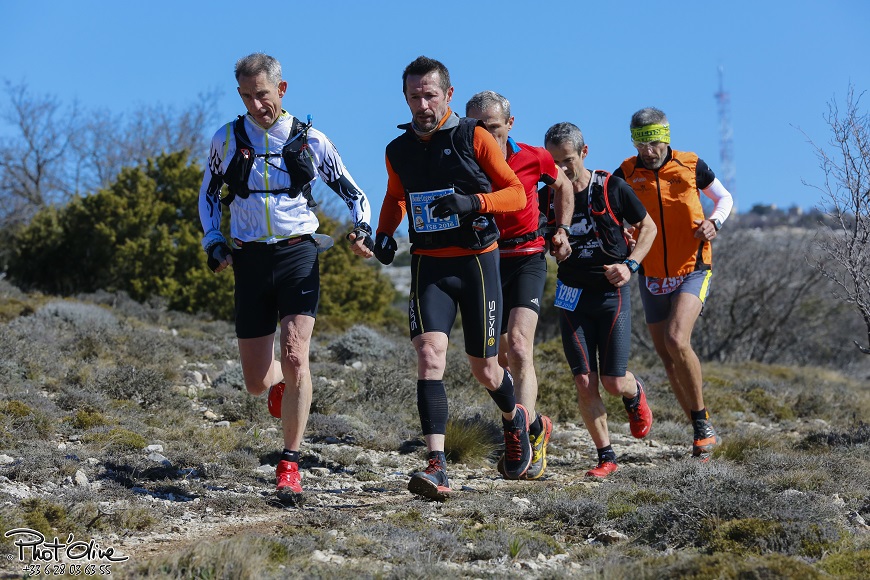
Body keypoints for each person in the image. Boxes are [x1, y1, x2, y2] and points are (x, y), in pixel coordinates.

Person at [198, 53, 374, 498]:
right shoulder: (226, 138)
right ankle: (281, 388)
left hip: (298, 253)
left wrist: (362, 228)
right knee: (257, 383)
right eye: (247, 96)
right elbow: (206, 196)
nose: (257, 104)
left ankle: (289, 464)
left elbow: (354, 192)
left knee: (296, 356)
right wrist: (214, 241)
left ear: (282, 89)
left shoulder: (309, 139)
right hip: (250, 259)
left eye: (263, 94)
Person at [371, 56, 529, 500]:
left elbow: (515, 193)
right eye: (414, 96)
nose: (422, 104)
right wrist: (385, 236)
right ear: (405, 97)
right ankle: (436, 465)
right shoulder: (397, 150)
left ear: (448, 95)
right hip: (428, 264)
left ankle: (513, 418)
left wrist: (474, 203)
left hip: (476, 262)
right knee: (429, 355)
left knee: (485, 369)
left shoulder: (472, 137)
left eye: (430, 95)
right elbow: (394, 197)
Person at [613, 107, 734, 460]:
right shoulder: (626, 172)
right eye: (640, 142)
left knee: (676, 339)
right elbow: (617, 213)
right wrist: (622, 232)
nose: (647, 150)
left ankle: (701, 425)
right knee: (667, 357)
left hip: (693, 265)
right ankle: (699, 424)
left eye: (653, 141)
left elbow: (724, 198)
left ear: (665, 137)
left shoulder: (691, 165)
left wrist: (715, 222)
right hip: (651, 273)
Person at [465, 91, 573, 480]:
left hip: (527, 255)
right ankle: (527, 423)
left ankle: (527, 435)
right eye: (476, 127)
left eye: (492, 127)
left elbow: (563, 186)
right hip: (485, 258)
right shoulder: (464, 160)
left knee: (520, 345)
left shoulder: (533, 156)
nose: (485, 135)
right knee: (493, 359)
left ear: (510, 125)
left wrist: (560, 229)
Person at [543, 122, 657, 477]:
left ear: (584, 153)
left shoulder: (611, 187)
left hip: (611, 293)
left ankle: (632, 390)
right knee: (583, 380)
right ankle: (606, 456)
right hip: (571, 293)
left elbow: (649, 227)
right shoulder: (546, 194)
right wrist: (554, 246)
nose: (560, 170)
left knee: (611, 381)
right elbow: (542, 238)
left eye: (568, 160)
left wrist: (630, 265)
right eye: (553, 162)